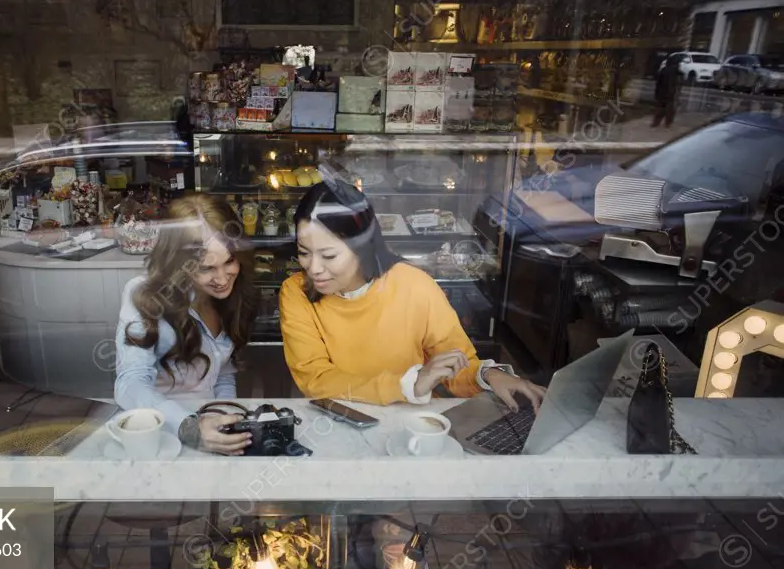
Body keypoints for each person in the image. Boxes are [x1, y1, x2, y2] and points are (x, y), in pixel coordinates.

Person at [280, 181, 546, 411]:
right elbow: (316, 380)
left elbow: (456, 361)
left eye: (329, 255)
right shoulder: (297, 292)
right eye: (304, 252)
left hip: (409, 423)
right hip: (337, 418)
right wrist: (408, 384)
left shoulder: (413, 285)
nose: (313, 268)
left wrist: (487, 375)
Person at [114, 196, 258, 455]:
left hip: (210, 432)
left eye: (230, 261)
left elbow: (223, 372)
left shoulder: (235, 296)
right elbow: (130, 383)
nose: (223, 279)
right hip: (158, 438)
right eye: (207, 268)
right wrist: (189, 426)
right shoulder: (146, 297)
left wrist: (225, 421)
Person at [652, 55, 682, 128]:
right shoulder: (676, 71)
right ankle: (668, 123)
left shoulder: (664, 70)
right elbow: (678, 81)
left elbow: (658, 82)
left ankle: (656, 122)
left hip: (661, 92)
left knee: (660, 108)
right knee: (670, 109)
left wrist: (656, 92)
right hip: (670, 93)